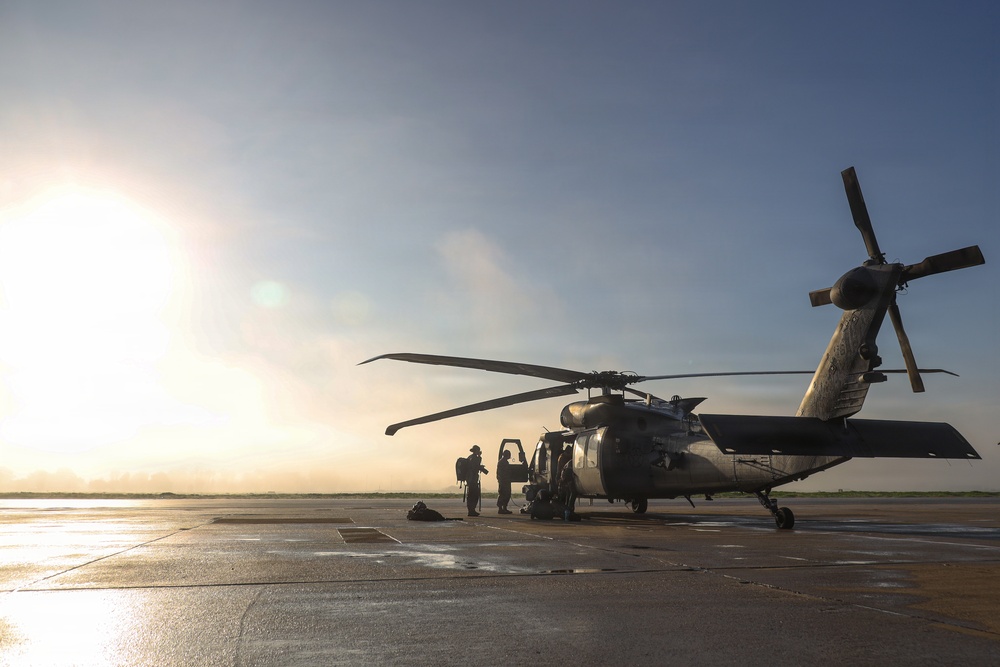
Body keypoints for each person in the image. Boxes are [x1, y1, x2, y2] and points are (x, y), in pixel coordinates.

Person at [463, 444, 489, 516]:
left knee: (471, 495)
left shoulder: (470, 457)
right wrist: (480, 458)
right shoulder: (474, 458)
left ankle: (471, 510)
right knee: (473, 495)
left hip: (470, 479)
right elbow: (476, 466)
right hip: (472, 479)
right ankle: (472, 510)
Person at [496, 450, 513, 514]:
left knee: (506, 494)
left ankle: (503, 508)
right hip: (504, 481)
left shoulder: (503, 462)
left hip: (504, 480)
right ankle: (501, 508)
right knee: (503, 494)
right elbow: (502, 472)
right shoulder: (503, 462)